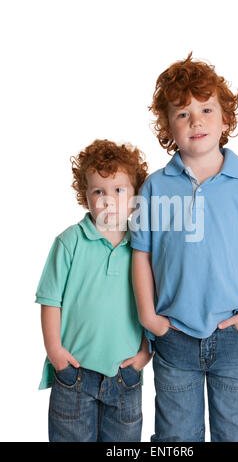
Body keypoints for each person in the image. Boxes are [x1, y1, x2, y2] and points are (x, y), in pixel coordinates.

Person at [130, 53, 238, 442]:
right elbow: (141, 255)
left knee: (236, 432)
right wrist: (149, 318)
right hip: (174, 335)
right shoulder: (155, 186)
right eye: (182, 114)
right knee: (175, 438)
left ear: (226, 118)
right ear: (168, 126)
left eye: (206, 109)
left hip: (233, 333)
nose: (196, 121)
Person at [35, 139, 152, 442]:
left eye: (119, 190)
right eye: (98, 191)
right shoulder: (69, 242)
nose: (108, 200)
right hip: (75, 374)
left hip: (125, 377)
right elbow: (50, 301)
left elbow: (153, 303)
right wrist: (56, 355)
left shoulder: (142, 247)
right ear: (84, 195)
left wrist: (143, 355)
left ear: (135, 195)